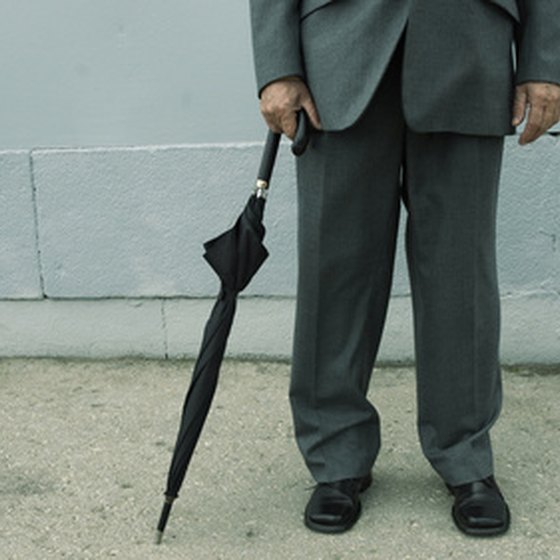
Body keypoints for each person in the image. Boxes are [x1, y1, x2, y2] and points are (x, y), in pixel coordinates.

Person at [249, 0, 560, 536]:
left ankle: (466, 456)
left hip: (470, 40)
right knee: (334, 271)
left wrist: (544, 62)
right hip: (337, 53)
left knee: (462, 272)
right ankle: (336, 456)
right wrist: (278, 66)